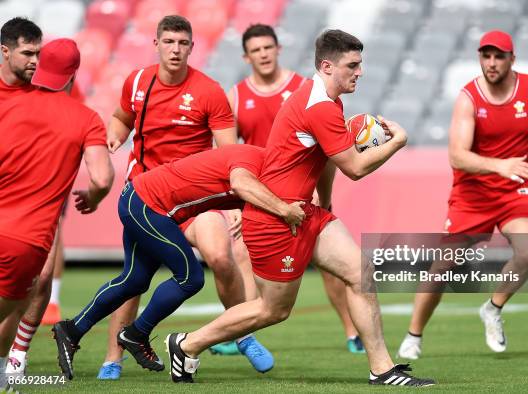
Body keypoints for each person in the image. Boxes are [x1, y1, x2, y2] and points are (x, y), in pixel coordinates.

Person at [165, 29, 435, 387]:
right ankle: (186, 344)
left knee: (361, 272)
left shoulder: (328, 101)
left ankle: (382, 369)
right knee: (272, 310)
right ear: (327, 66)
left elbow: (325, 161)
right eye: (352, 65)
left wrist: (326, 201)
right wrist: (397, 142)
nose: (360, 72)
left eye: (360, 64)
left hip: (303, 212)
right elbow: (354, 167)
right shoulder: (320, 106)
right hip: (275, 219)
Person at [96, 15, 272, 379]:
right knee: (135, 279)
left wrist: (236, 202)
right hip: (146, 197)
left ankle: (243, 333)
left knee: (221, 256)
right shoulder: (138, 81)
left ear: (192, 47)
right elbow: (120, 118)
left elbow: (229, 153)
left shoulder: (209, 91)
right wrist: (114, 136)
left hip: (194, 199)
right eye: (169, 42)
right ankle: (112, 359)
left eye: (183, 43)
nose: (176, 49)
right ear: (157, 44)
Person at [397, 30, 528, 360]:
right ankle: (414, 334)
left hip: (515, 191)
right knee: (442, 268)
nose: (492, 63)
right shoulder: (469, 97)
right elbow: (457, 155)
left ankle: (493, 308)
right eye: (486, 56)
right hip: (473, 194)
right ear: (480, 58)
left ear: (512, 59)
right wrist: (500, 166)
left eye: (499, 56)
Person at [52, 144, 305, 380]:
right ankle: (136, 334)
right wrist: (284, 210)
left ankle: (71, 330)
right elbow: (241, 184)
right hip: (146, 205)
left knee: (134, 280)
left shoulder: (266, 173)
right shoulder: (254, 159)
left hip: (143, 200)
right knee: (190, 278)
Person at [226, 23, 365, 354]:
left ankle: (351, 331)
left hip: (301, 192)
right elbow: (231, 153)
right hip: (261, 195)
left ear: (278, 49)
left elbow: (325, 152)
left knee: (339, 267)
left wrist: (319, 193)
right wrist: (236, 202)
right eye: (256, 50)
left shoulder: (310, 89)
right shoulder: (238, 96)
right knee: (243, 262)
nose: (263, 54)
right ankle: (242, 335)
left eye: (268, 47)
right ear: (247, 57)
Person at [0, 38, 115, 392]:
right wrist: (94, 198)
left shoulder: (11, 101)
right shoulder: (85, 118)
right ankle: (11, 363)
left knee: (41, 280)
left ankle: (13, 363)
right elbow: (101, 177)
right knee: (21, 295)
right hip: (24, 239)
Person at [0, 17, 73, 377]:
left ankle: (17, 354)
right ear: (5, 51)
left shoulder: (47, 86)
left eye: (38, 54)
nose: (34, 61)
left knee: (40, 279)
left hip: (38, 200)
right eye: (28, 53)